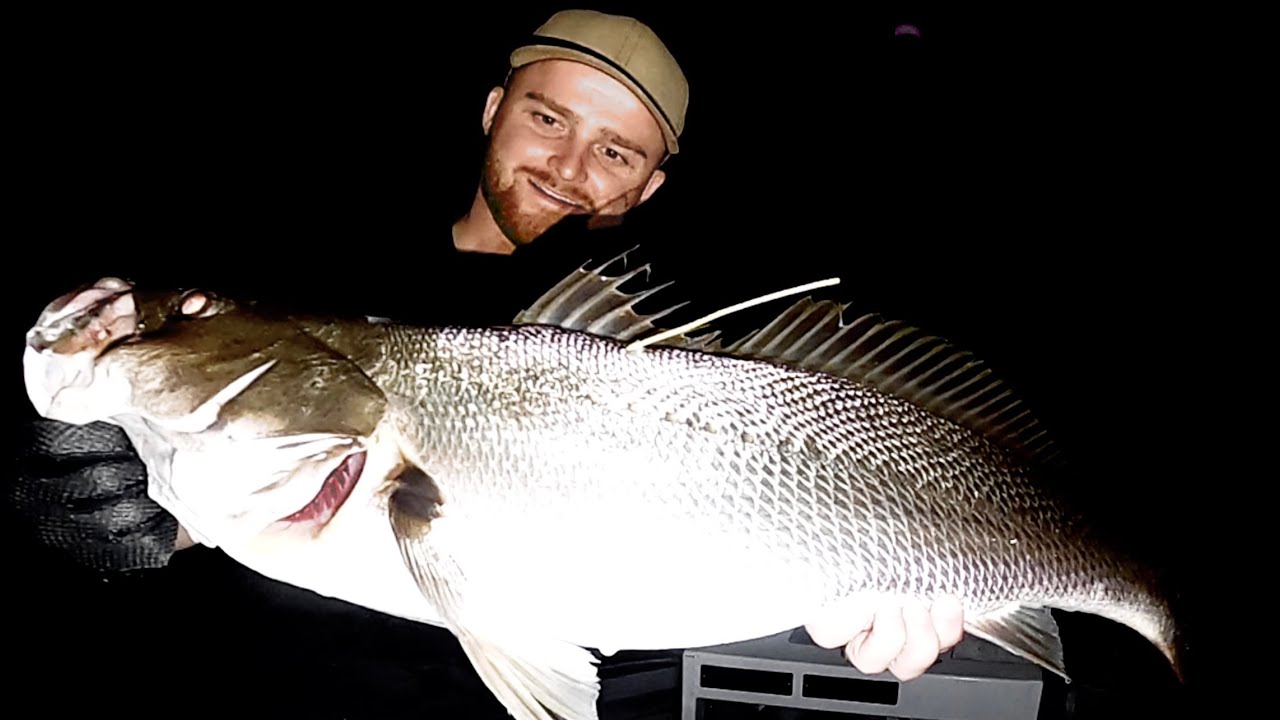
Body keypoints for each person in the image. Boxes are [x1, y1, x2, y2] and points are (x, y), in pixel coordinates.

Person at [9, 9, 962, 714]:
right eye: (549, 120)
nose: (568, 167)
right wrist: (116, 502)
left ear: (650, 184)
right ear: (494, 107)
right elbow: (229, 475)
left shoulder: (671, 347)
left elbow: (745, 529)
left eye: (616, 152)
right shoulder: (311, 272)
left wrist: (875, 583)